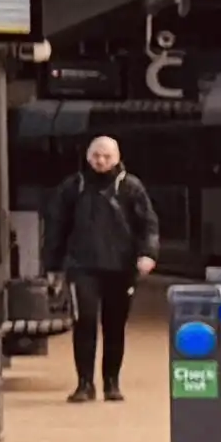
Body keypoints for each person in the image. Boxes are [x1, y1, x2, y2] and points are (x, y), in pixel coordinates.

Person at [50, 134, 156, 402]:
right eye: (96, 155)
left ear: (117, 158)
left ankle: (112, 382)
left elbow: (148, 225)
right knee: (83, 321)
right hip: (81, 266)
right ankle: (84, 383)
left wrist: (148, 254)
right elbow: (56, 227)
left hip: (121, 268)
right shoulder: (73, 187)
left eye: (106, 156)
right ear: (88, 157)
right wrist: (53, 264)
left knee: (115, 325)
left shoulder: (131, 188)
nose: (101, 161)